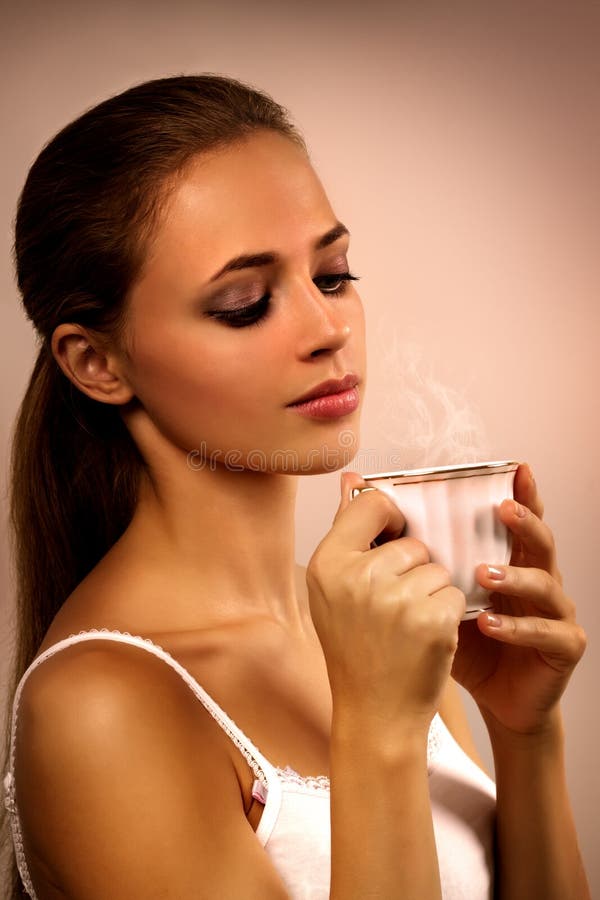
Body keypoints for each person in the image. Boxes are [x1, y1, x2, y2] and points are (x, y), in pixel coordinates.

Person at [0, 73, 590, 900]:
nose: (326, 329)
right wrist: (379, 731)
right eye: (245, 303)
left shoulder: (360, 624)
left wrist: (525, 732)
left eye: (335, 273)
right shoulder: (97, 708)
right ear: (97, 364)